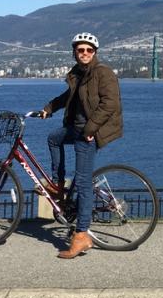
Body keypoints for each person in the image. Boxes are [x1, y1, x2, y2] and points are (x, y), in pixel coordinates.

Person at [39, 32, 123, 259]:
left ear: (95, 52)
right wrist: (48, 108)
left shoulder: (102, 73)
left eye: (89, 50)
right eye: (80, 50)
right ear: (75, 52)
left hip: (90, 133)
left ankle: (82, 234)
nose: (84, 53)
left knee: (84, 182)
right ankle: (58, 185)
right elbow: (69, 97)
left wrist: (90, 130)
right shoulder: (78, 73)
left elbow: (110, 104)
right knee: (53, 138)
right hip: (76, 128)